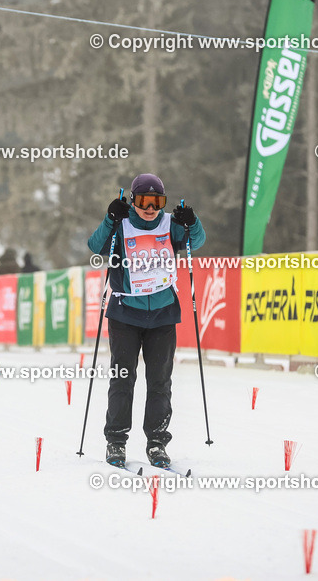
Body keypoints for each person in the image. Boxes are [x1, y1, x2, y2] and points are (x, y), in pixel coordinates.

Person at [87, 173, 205, 468]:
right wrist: (109, 218)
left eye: (157, 202)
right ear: (134, 200)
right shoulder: (121, 224)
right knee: (123, 380)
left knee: (160, 383)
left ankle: (156, 443)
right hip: (126, 313)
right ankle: (116, 441)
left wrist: (192, 221)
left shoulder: (170, 224)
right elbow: (94, 245)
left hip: (163, 314)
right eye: (143, 201)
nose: (150, 208)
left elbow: (196, 241)